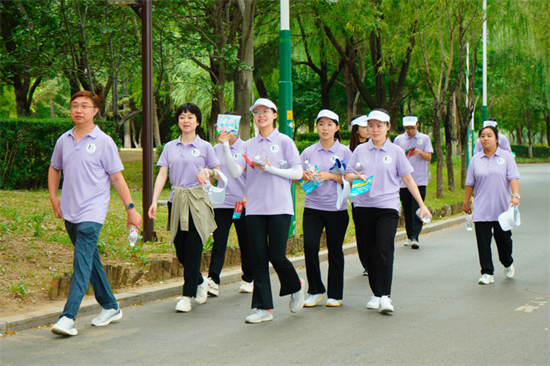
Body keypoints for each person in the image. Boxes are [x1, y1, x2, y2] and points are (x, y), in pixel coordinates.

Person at [48, 91, 142, 336]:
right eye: (74, 105)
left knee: (81, 263)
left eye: (85, 106)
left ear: (95, 111)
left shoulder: (104, 142)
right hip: (70, 211)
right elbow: (54, 168)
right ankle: (110, 306)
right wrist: (53, 197)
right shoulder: (63, 140)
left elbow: (117, 178)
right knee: (90, 261)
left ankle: (68, 317)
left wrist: (130, 209)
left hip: (93, 212)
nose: (79, 110)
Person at [220, 98, 305, 323]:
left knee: (276, 256)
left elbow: (297, 173)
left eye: (265, 111)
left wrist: (269, 168)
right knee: (258, 258)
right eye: (256, 112)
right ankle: (262, 308)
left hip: (279, 207)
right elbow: (235, 172)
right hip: (255, 209)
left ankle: (296, 286)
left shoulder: (285, 141)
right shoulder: (248, 145)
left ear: (275, 115)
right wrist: (227, 147)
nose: (261, 115)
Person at [345, 109, 432, 314]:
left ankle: (385, 296)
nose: (374, 129)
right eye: (371, 125)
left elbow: (408, 179)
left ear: (388, 127)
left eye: (379, 125)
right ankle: (375, 294)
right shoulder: (359, 151)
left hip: (387, 207)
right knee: (369, 252)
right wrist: (356, 177)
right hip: (363, 206)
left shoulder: (395, 152)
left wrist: (421, 204)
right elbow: (347, 174)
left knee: (384, 249)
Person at [148, 103, 221, 313]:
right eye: (182, 117)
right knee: (180, 246)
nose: (186, 120)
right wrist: (155, 200)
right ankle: (199, 280)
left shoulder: (206, 146)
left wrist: (209, 172)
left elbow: (217, 173)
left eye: (190, 117)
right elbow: (162, 174)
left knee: (194, 245)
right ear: (178, 121)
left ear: (197, 121)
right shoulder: (170, 147)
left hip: (198, 199)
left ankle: (186, 295)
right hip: (176, 199)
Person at [298, 110, 351, 308]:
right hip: (313, 207)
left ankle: (335, 294)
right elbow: (298, 175)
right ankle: (316, 290)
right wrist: (305, 175)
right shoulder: (309, 152)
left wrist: (328, 176)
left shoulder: (345, 152)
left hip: (336, 209)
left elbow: (350, 178)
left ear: (337, 127)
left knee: (334, 250)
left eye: (329, 124)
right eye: (321, 124)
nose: (325, 128)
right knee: (310, 246)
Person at [463, 125, 520, 285]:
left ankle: (507, 262)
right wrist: (466, 202)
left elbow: (513, 178)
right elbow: (469, 184)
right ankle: (487, 272)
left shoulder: (507, 157)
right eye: (482, 136)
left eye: (489, 135)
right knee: (483, 242)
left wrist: (515, 196)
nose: (485, 138)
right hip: (482, 209)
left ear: (496, 139)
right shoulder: (475, 160)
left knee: (504, 242)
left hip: (502, 209)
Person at [206, 112, 254, 296]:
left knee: (245, 242)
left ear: (237, 127)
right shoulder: (215, 148)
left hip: (242, 202)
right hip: (222, 203)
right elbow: (212, 173)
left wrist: (249, 195)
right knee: (219, 241)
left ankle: (248, 279)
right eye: (223, 126)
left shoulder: (246, 147)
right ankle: (213, 281)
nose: (226, 131)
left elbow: (253, 175)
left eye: (230, 127)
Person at [393, 114, 433, 249]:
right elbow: (394, 158)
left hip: (420, 180)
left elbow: (429, 157)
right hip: (403, 182)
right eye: (407, 128)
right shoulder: (398, 140)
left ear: (417, 125)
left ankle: (416, 237)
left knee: (417, 208)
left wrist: (419, 152)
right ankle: (410, 236)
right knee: (407, 209)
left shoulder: (424, 138)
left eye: (412, 127)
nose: (409, 130)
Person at [349, 115, 370, 275]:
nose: (368, 130)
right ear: (356, 130)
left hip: (376, 197)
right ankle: (367, 264)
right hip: (357, 198)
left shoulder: (375, 146)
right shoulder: (349, 151)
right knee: (362, 232)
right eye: (365, 127)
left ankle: (376, 261)